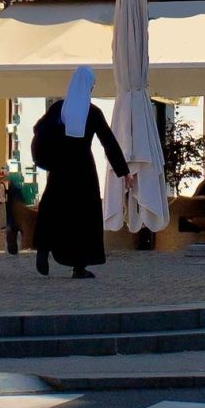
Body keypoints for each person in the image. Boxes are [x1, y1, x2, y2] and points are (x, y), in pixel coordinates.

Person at [29, 69, 130, 279]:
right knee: (83, 217)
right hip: (83, 169)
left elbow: (38, 128)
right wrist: (123, 172)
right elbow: (108, 143)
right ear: (89, 87)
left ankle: (44, 248)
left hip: (60, 168)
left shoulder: (58, 109)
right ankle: (79, 266)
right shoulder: (92, 112)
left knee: (54, 209)